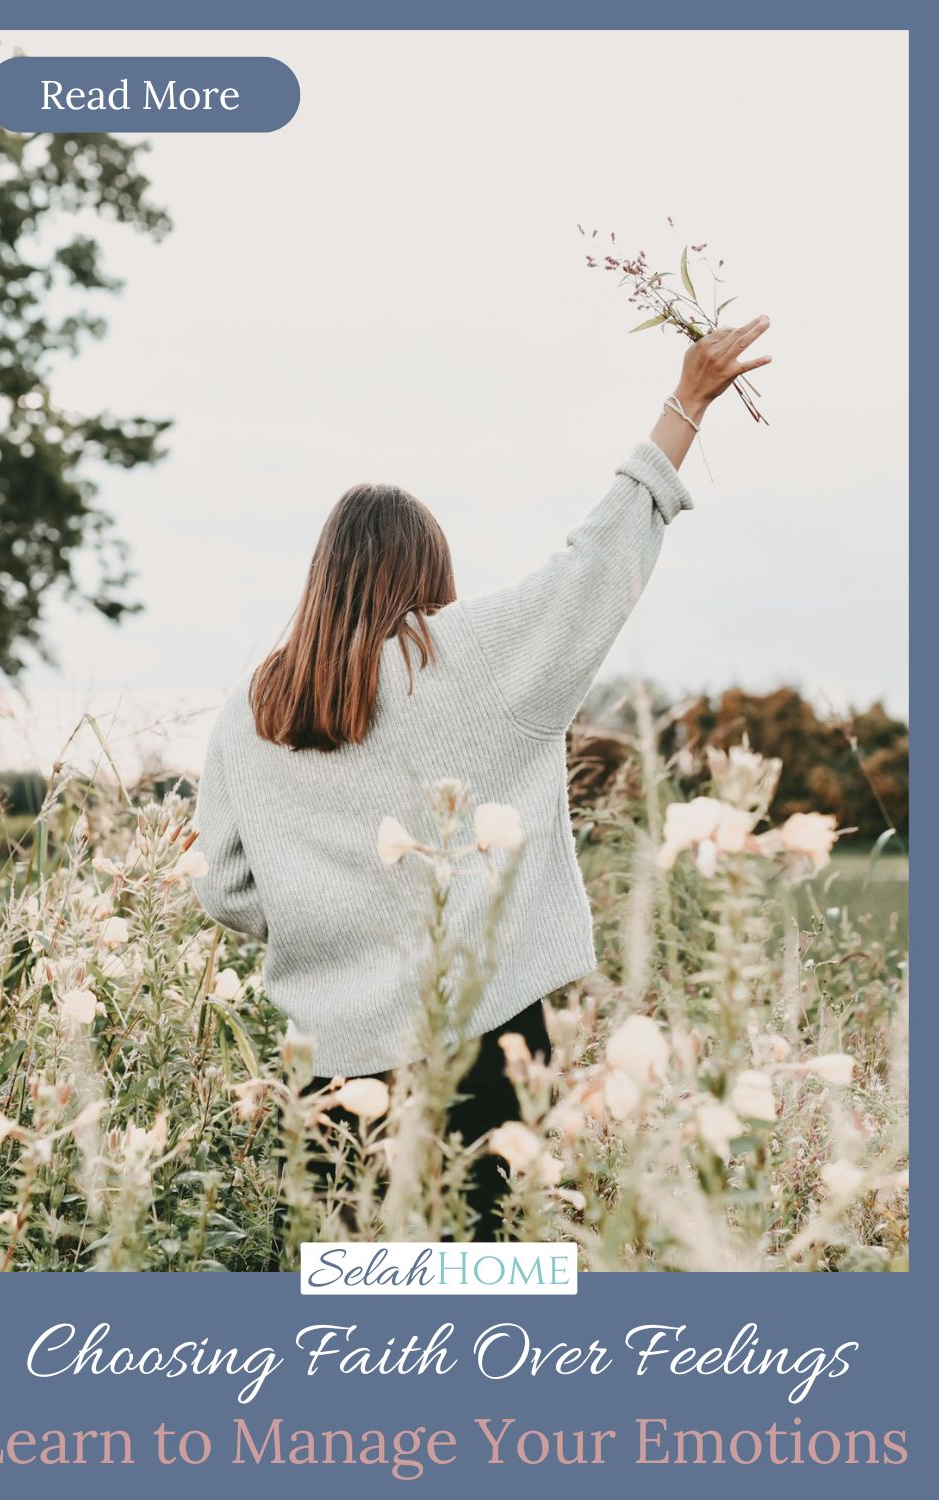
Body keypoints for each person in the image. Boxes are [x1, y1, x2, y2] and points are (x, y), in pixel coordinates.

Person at [193, 318, 772, 1234]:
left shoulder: (251, 706)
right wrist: (686, 403)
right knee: (497, 1312)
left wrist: (324, 912)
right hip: (489, 1053)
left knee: (357, 1326)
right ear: (431, 571)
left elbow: (223, 888)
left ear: (322, 576)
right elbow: (597, 562)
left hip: (331, 1072)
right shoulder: (472, 658)